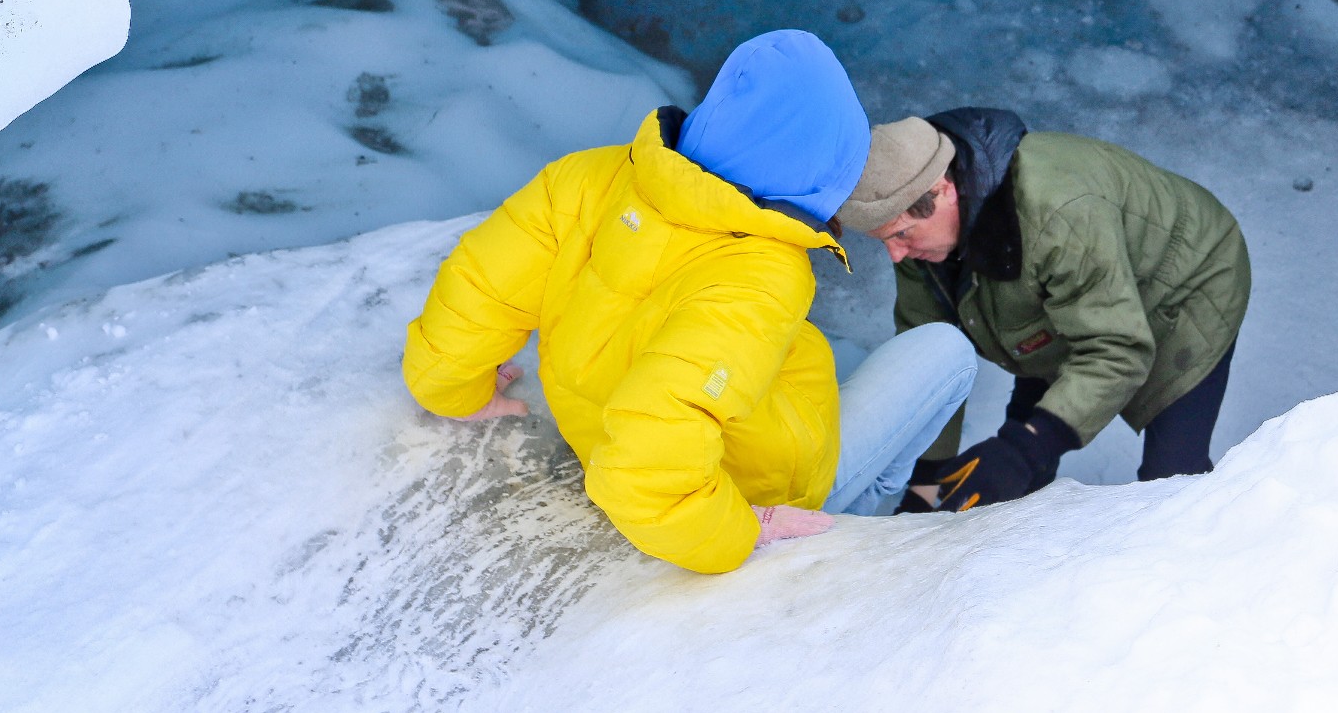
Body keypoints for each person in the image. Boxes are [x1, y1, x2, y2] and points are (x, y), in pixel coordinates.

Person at [401, 29, 976, 573]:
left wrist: (453, 387)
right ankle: (865, 528)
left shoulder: (585, 179)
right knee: (950, 355)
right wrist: (737, 529)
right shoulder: (757, 275)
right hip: (759, 486)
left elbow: (478, 290)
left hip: (600, 426)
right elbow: (644, 466)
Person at [835, 108, 1250, 512]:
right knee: (1017, 460)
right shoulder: (919, 243)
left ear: (943, 189)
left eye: (903, 234)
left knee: (1171, 478)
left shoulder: (1057, 214)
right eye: (885, 239)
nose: (895, 254)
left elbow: (1117, 350)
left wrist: (1029, 445)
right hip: (1074, 290)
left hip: (1184, 277)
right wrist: (927, 481)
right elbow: (928, 357)